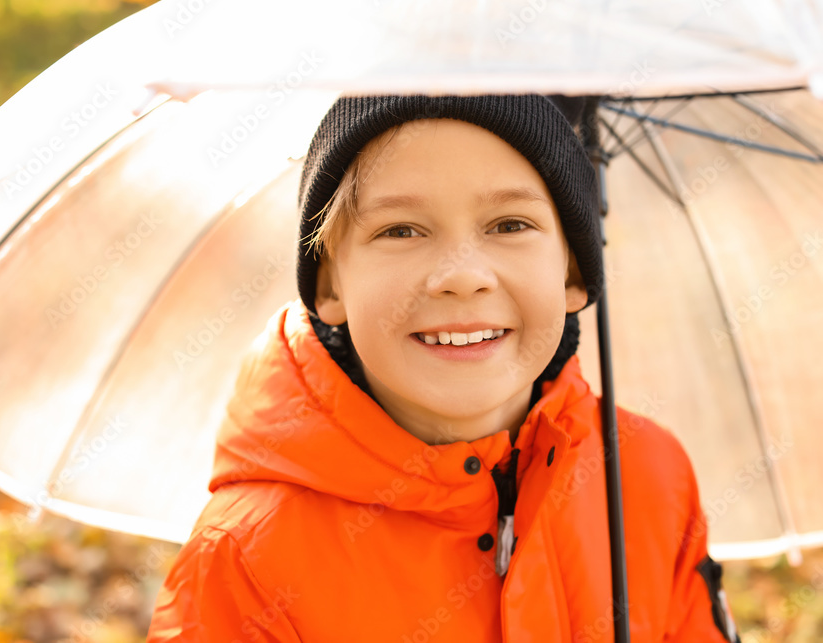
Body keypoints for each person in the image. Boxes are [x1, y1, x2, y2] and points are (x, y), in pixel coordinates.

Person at [145, 94, 741, 642]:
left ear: (572, 272)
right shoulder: (245, 558)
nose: (461, 274)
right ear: (328, 284)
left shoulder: (644, 473)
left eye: (510, 225)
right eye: (400, 229)